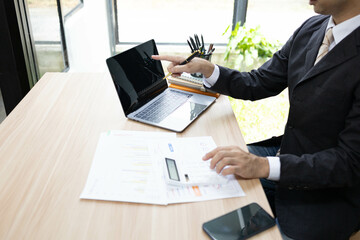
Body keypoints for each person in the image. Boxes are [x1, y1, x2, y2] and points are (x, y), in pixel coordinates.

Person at [152, 0, 360, 239]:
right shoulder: (313, 28)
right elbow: (259, 82)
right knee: (210, 175)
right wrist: (208, 69)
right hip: (288, 152)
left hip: (329, 196)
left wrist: (262, 166)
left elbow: (350, 162)